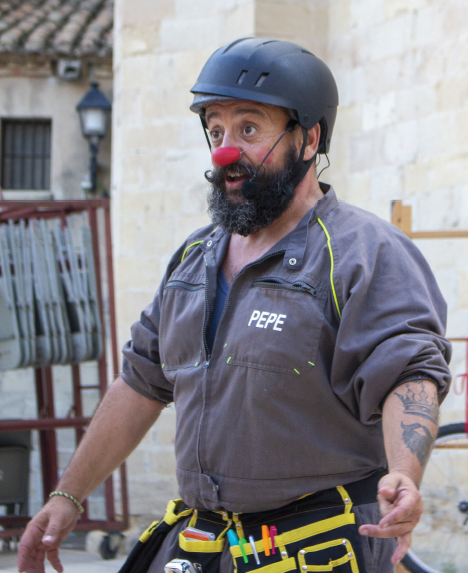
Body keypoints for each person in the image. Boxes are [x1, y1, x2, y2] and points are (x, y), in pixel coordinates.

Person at [18, 38, 451, 573]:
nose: (227, 150)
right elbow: (140, 381)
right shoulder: (195, 257)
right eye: (217, 130)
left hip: (321, 548)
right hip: (202, 544)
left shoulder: (365, 252)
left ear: (309, 138)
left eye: (249, 129)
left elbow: (408, 371)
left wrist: (405, 474)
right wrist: (69, 496)